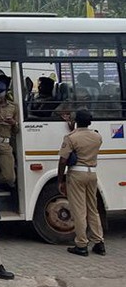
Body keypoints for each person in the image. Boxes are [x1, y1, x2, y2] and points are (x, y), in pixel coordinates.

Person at [58, 109, 105, 257]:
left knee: (79, 210)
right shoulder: (97, 136)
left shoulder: (71, 138)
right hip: (92, 173)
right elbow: (84, 139)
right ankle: (99, 242)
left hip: (77, 174)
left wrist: (61, 179)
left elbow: (63, 160)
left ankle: (81, 244)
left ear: (76, 120)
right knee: (93, 209)